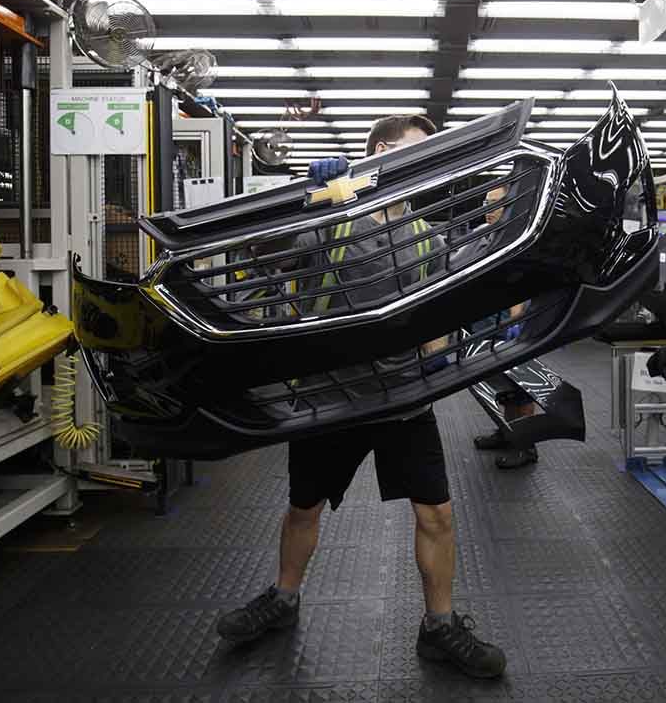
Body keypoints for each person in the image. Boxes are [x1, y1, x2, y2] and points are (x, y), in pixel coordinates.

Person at [216, 115, 508, 680]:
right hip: (334, 397)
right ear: (377, 152)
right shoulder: (334, 222)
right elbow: (263, 249)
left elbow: (438, 310)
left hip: (404, 399)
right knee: (305, 507)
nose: (422, 163)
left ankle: (440, 626)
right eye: (410, 151)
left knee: (438, 515)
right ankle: (283, 598)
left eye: (431, 154)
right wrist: (311, 195)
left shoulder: (428, 235)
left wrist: (442, 351)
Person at [461, 185, 540, 470]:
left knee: (521, 384)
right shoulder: (478, 235)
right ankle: (507, 432)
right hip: (483, 322)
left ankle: (525, 445)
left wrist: (516, 320)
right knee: (499, 383)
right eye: (487, 202)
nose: (491, 208)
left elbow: (523, 283)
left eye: (498, 203)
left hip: (512, 322)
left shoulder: (521, 235)